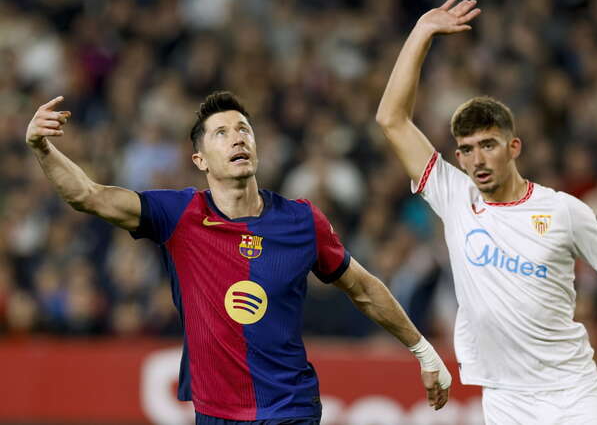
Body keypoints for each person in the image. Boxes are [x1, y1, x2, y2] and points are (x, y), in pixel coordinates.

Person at [375, 0, 597, 424]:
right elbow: (391, 119)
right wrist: (421, 33)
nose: (478, 160)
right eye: (466, 150)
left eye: (488, 145)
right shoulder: (454, 195)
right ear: (458, 158)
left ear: (513, 147)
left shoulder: (562, 212)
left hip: (574, 396)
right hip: (506, 401)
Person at [25, 91, 452, 424]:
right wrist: (44, 149)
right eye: (221, 133)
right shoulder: (180, 216)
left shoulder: (301, 220)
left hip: (290, 407)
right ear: (200, 159)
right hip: (214, 413)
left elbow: (362, 288)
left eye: (244, 129)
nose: (237, 138)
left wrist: (424, 352)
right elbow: (87, 195)